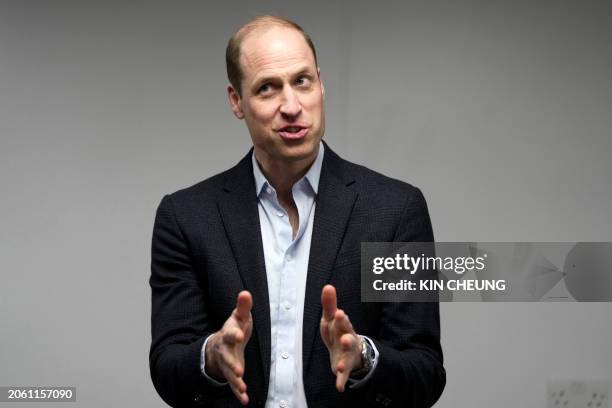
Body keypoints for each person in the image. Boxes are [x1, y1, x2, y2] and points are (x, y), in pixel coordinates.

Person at [150, 15, 445, 408]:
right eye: (267, 88)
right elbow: (167, 367)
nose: (291, 106)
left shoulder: (395, 211)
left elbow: (425, 372)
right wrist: (212, 354)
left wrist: (363, 358)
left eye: (302, 81)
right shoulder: (185, 217)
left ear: (321, 84)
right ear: (236, 101)